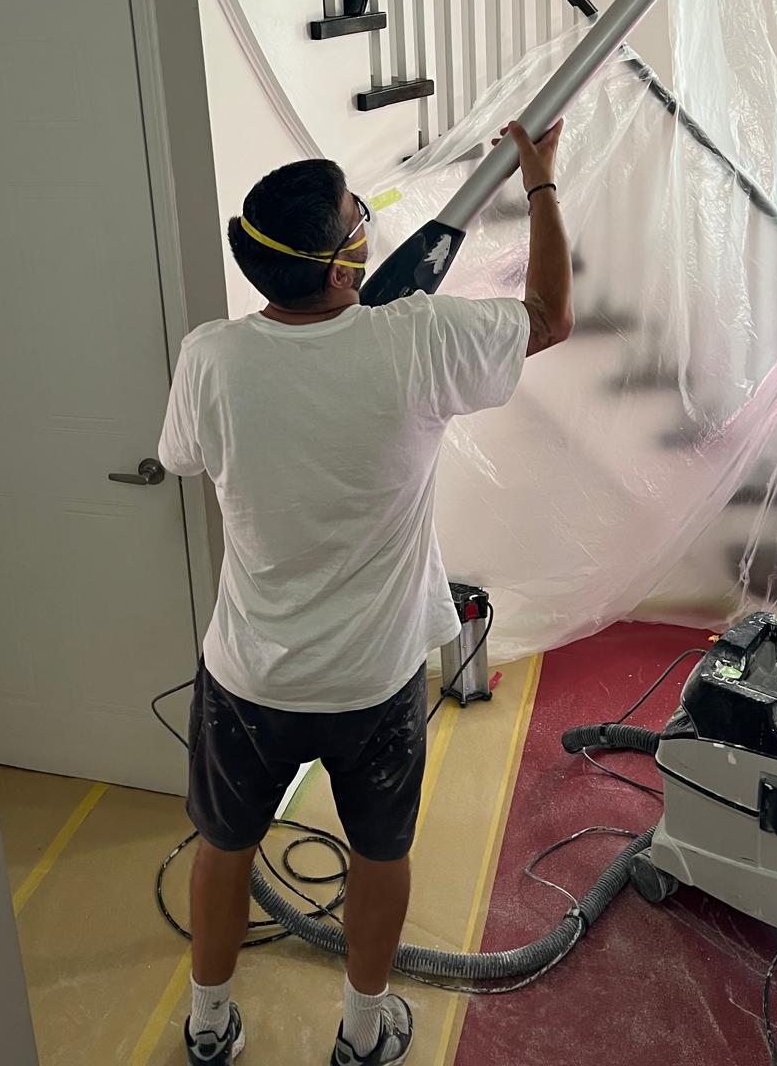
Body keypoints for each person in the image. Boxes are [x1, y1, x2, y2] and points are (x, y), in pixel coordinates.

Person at [158, 121, 573, 1066]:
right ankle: (360, 1030)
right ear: (342, 268)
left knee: (223, 847)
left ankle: (209, 1023)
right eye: (358, 215)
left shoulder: (211, 358)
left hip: (250, 676)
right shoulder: (416, 342)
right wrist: (541, 183)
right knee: (381, 852)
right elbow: (548, 316)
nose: (369, 221)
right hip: (373, 683)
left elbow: (183, 457)